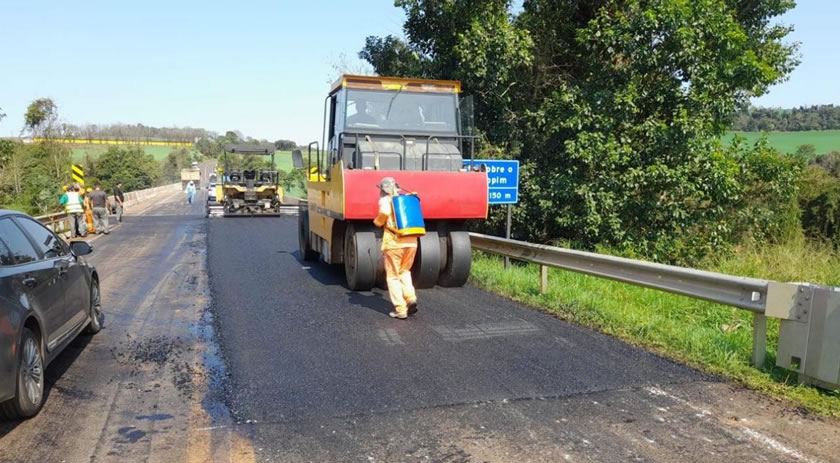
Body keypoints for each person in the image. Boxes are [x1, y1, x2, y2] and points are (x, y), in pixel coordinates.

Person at [373, 177, 418, 320]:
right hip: (412, 241)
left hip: (394, 243)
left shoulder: (386, 200)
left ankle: (400, 309)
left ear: (383, 189)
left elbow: (385, 212)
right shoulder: (405, 199)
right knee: (404, 271)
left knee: (392, 276)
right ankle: (410, 298)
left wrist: (378, 222)